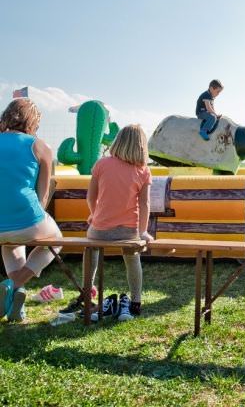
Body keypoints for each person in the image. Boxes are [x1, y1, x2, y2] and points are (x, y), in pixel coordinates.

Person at [61, 124, 153, 321]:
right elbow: (144, 204)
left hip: (100, 230)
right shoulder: (143, 170)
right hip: (129, 231)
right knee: (132, 258)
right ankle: (136, 301)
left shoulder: (102, 164)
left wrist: (95, 215)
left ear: (117, 141)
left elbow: (90, 197)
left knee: (91, 249)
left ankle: (87, 291)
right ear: (142, 146)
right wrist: (143, 232)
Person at [0, 98, 62, 322]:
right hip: (27, 218)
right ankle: (14, 284)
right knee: (55, 240)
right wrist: (36, 219)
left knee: (9, 243)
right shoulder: (40, 146)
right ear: (33, 121)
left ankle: (17, 304)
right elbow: (43, 195)